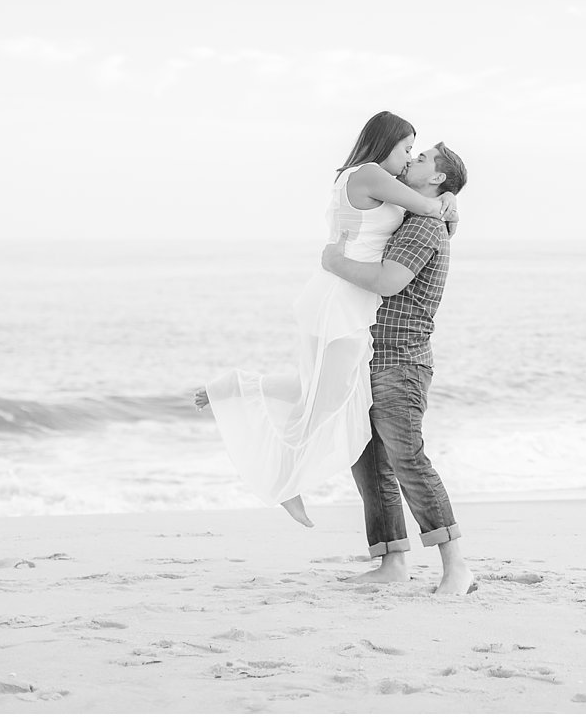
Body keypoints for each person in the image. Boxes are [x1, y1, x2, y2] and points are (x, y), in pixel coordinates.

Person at [196, 111, 457, 528]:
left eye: (415, 153)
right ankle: (284, 475)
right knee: (329, 398)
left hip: (343, 295)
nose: (409, 159)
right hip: (343, 298)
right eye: (407, 148)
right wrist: (447, 201)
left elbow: (422, 209)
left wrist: (448, 198)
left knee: (329, 391)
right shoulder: (370, 173)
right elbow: (428, 205)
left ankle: (241, 391)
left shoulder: (362, 178)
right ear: (385, 142)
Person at [319, 140, 474, 595]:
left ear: (438, 178)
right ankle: (391, 561)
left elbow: (388, 281)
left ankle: (457, 568)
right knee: (369, 462)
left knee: (407, 459)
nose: (410, 160)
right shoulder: (418, 213)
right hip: (374, 354)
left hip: (401, 359)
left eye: (421, 158)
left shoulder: (425, 225)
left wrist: (335, 262)